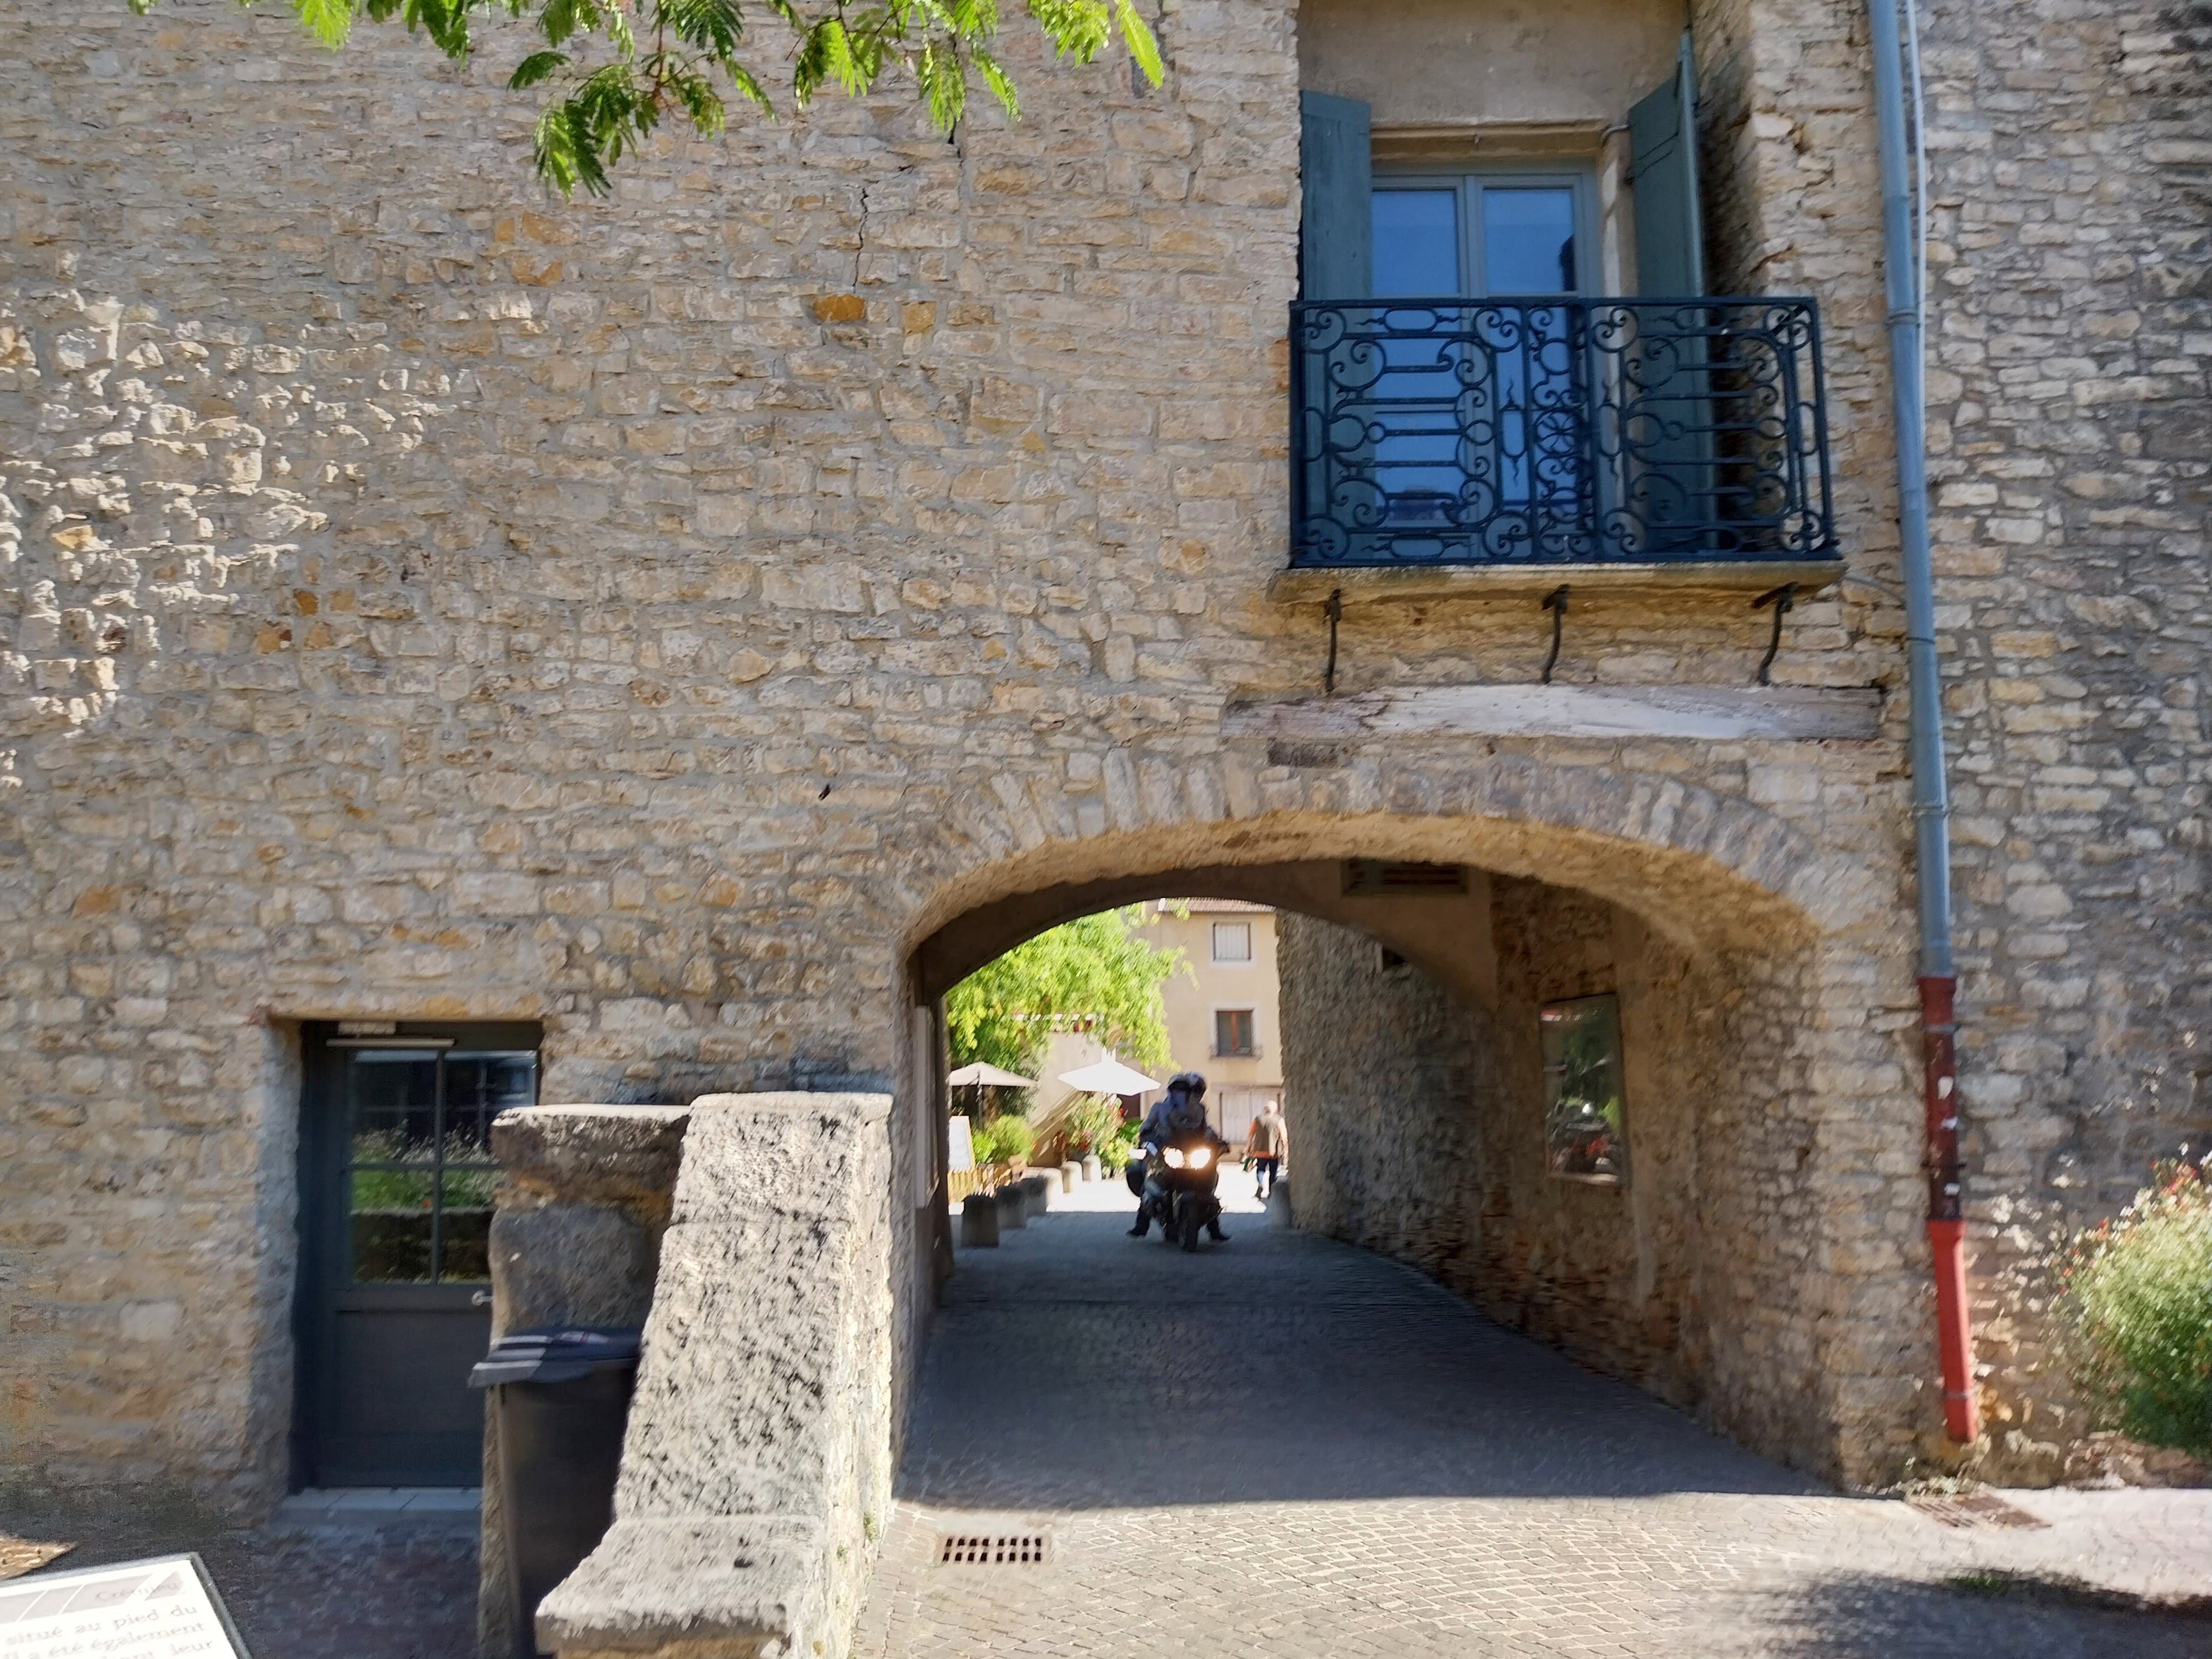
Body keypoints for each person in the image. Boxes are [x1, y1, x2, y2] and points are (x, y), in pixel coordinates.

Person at [1128, 1072, 1227, 1242]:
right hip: (1166, 1149)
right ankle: (1141, 1225)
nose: (1180, 1093)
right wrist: (1147, 1135)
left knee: (1207, 1183)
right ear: (1170, 1090)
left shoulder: (1199, 1109)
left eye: (1184, 1089)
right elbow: (1147, 1125)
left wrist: (1216, 1140)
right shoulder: (1159, 1107)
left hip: (1191, 1151)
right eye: (1177, 1089)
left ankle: (1214, 1229)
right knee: (1150, 1180)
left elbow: (1205, 1129)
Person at [1246, 1098, 1288, 1201]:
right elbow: (1284, 1137)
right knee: (1273, 1172)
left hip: (1259, 1151)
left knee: (1260, 1170)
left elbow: (1251, 1134)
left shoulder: (1257, 1120)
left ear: (1265, 1109)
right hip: (1274, 1152)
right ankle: (1271, 1192)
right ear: (1275, 1109)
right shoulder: (1279, 1120)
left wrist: (1248, 1147)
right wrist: (1285, 1149)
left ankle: (1261, 1185)